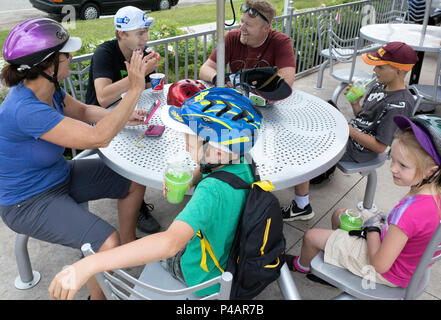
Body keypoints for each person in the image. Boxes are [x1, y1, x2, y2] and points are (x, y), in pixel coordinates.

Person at [48, 87, 262, 300]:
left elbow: (169, 244)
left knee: (155, 249)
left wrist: (89, 263)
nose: (187, 148)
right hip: (230, 254)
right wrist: (191, 179)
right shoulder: (242, 159)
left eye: (190, 140)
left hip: (203, 279)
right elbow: (210, 166)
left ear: (215, 151)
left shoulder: (212, 192)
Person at [0, 18, 151, 299]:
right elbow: (99, 138)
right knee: (105, 241)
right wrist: (134, 89)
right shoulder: (25, 109)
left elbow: (83, 112)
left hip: (59, 175)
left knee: (132, 177)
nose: (71, 58)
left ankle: (129, 247)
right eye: (66, 54)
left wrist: (123, 116)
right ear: (48, 64)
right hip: (28, 200)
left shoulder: (49, 90)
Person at [285, 113, 441, 288]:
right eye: (393, 159)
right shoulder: (433, 194)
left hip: (388, 273)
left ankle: (303, 266)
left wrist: (372, 229)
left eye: (403, 165)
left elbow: (380, 265)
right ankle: (338, 261)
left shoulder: (410, 212)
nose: (392, 169)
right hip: (406, 262)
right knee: (339, 215)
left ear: (431, 172)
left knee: (311, 237)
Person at [282, 41, 419, 221]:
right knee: (321, 110)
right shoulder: (380, 85)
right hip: (351, 135)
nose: (375, 71)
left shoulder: (399, 104)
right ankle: (309, 173)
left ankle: (301, 206)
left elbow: (379, 146)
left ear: (399, 71)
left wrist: (346, 129)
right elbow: (364, 118)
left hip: (360, 151)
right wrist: (355, 103)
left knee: (307, 143)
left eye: (380, 67)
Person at [85, 6, 161, 234]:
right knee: (140, 147)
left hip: (129, 111)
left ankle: (134, 194)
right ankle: (134, 201)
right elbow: (103, 96)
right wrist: (136, 76)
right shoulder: (105, 53)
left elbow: (143, 88)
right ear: (121, 34)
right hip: (99, 119)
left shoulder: (141, 52)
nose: (145, 38)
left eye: (146, 31)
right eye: (140, 33)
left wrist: (152, 80)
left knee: (157, 132)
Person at [199, 0, 296, 87]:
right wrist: (217, 77)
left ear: (266, 28)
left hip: (266, 99)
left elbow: (287, 81)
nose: (241, 27)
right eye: (242, 21)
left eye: (248, 25)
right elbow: (205, 69)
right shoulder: (232, 38)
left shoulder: (281, 42)